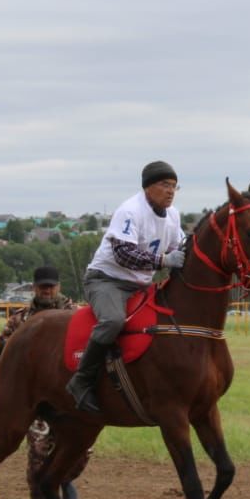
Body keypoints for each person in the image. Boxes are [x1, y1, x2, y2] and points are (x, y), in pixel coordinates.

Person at [65, 161, 186, 413]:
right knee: (112, 321)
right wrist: (163, 260)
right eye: (165, 185)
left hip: (140, 285)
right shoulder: (130, 211)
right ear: (148, 187)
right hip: (106, 279)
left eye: (174, 186)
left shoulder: (173, 215)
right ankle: (81, 380)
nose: (171, 191)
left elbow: (180, 247)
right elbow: (124, 254)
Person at [0, 265, 82, 499]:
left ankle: (64, 477)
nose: (47, 290)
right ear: (34, 288)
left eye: (51, 286)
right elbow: (4, 349)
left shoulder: (76, 315)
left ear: (59, 287)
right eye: (43, 287)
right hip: (31, 395)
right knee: (38, 447)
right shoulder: (20, 318)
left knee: (82, 447)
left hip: (68, 394)